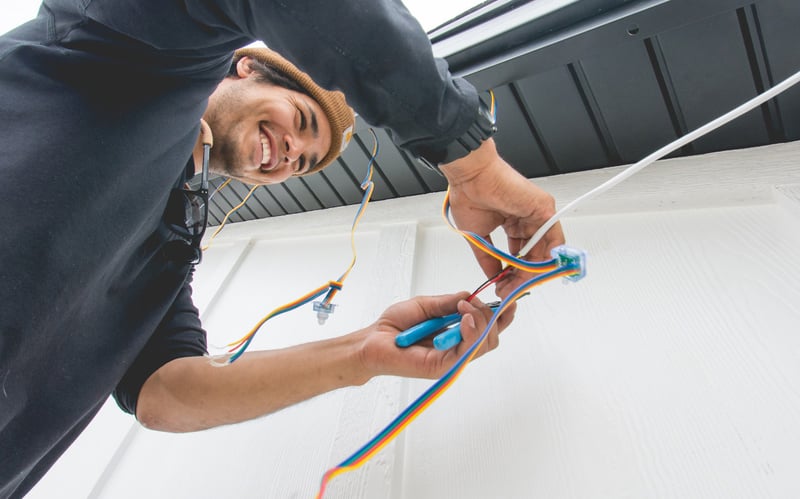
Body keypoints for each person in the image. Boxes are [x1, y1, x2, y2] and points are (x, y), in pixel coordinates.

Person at [0, 1, 564, 497]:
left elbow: (166, 394)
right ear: (247, 67)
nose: (289, 153)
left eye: (301, 164)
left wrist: (363, 352)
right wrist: (474, 163)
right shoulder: (122, 47)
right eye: (301, 121)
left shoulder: (168, 245)